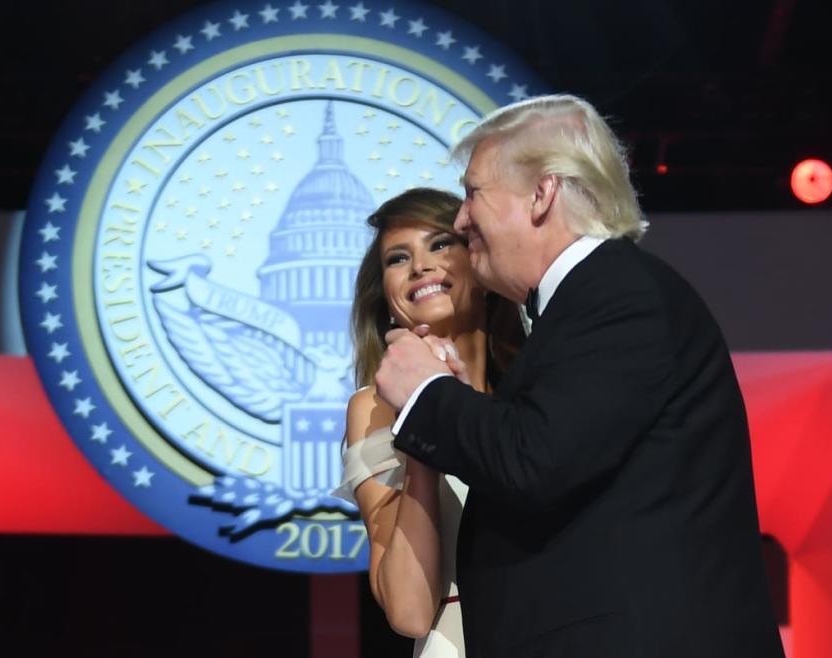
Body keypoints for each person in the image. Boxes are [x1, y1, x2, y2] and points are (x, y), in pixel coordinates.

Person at [375, 95, 785, 658]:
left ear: (542, 194)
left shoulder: (617, 293)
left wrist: (425, 393)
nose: (462, 218)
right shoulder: (589, 304)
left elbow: (534, 459)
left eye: (473, 193)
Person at [334, 188, 523, 657]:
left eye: (440, 244)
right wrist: (422, 424)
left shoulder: (541, 389)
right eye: (399, 258)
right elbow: (410, 612)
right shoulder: (374, 409)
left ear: (479, 264)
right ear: (387, 299)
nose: (420, 266)